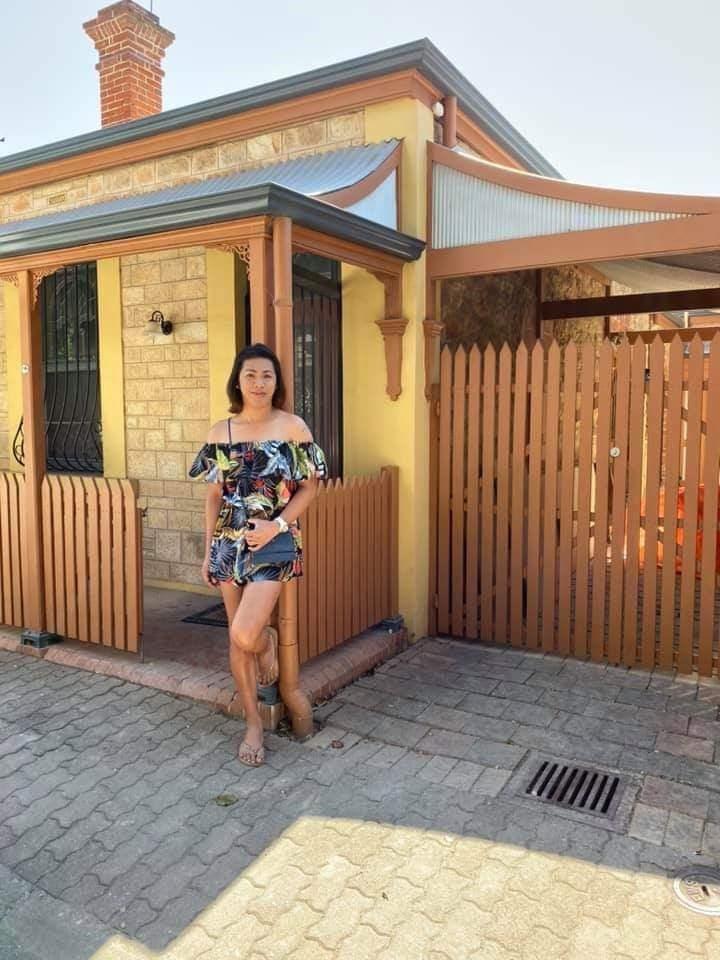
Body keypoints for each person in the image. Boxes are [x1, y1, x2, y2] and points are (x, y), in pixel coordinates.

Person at [189, 343, 327, 766]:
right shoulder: (221, 433)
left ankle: (266, 641)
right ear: (237, 381)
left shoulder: (292, 427)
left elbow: (310, 487)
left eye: (267, 375)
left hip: (275, 540)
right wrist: (209, 550)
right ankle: (253, 723)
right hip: (228, 541)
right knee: (236, 637)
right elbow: (214, 496)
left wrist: (277, 525)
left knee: (247, 633)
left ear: (276, 382)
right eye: (250, 374)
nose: (259, 383)